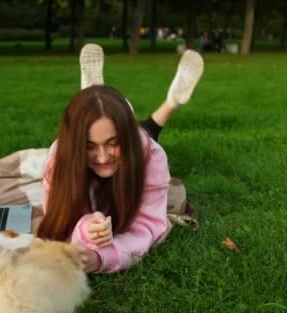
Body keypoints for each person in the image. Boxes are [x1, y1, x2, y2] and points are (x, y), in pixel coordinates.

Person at [37, 44, 204, 273]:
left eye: (113, 144)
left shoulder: (150, 156)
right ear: (76, 145)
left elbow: (146, 227)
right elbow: (59, 221)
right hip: (120, 132)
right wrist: (86, 229)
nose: (103, 157)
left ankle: (170, 102)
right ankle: (97, 95)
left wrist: (102, 258)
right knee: (117, 120)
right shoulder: (59, 158)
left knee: (148, 132)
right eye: (90, 146)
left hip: (138, 143)